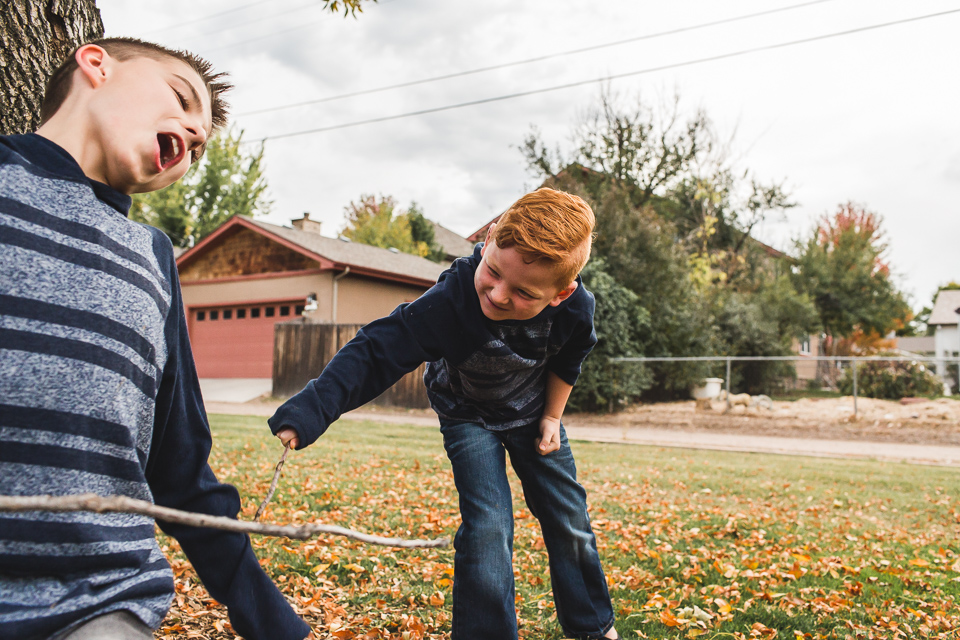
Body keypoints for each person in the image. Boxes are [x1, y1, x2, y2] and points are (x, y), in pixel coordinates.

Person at [0, 38, 311, 640]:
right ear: (96, 65)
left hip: (93, 602)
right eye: (180, 98)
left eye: (201, 144)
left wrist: (275, 624)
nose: (192, 136)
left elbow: (182, 471)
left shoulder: (151, 259)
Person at [270, 188, 619, 640]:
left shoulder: (575, 310)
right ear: (491, 237)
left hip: (532, 412)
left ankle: (592, 626)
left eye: (523, 292)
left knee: (567, 515)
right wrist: (313, 408)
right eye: (492, 272)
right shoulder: (452, 299)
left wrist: (552, 418)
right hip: (466, 413)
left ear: (560, 293)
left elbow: (568, 361)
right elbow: (379, 351)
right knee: (488, 525)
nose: (496, 294)